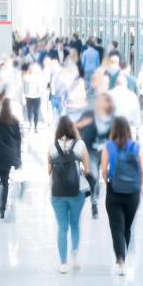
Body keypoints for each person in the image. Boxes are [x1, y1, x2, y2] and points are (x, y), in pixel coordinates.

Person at [99, 116, 143, 275]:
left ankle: (121, 261)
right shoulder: (136, 146)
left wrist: (108, 183)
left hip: (114, 191)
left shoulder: (108, 146)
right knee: (126, 227)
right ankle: (122, 256)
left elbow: (103, 170)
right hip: (133, 193)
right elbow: (141, 170)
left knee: (116, 227)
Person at [48, 116, 89, 274]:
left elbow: (49, 170)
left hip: (57, 193)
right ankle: (75, 254)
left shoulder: (52, 146)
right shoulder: (80, 145)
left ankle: (63, 263)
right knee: (75, 223)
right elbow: (87, 169)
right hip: (76, 192)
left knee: (62, 227)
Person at [76, 93, 115, 220]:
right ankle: (94, 204)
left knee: (98, 176)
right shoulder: (89, 114)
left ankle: (92, 199)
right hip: (90, 150)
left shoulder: (111, 117)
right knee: (95, 176)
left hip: (104, 151)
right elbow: (76, 127)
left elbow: (113, 135)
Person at [0, 97, 23, 219]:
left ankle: (1, 209)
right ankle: (2, 206)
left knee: (3, 180)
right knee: (4, 180)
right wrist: (18, 157)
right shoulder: (14, 121)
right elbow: (19, 140)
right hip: (10, 155)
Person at [22, 63, 44, 131]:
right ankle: (30, 123)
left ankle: (35, 127)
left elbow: (41, 87)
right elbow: (24, 87)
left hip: (37, 97)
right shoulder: (26, 77)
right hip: (29, 97)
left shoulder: (39, 77)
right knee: (30, 112)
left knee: (35, 112)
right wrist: (24, 95)